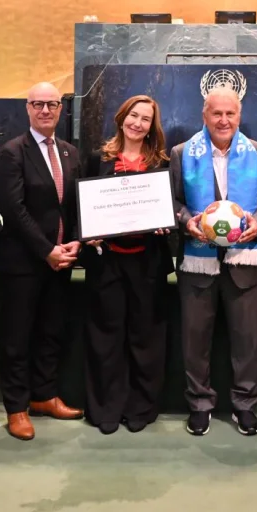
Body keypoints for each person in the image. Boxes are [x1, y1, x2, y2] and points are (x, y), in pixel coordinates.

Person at [170, 87, 257, 437]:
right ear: (204, 116)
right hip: (196, 265)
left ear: (239, 116)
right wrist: (186, 220)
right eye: (216, 113)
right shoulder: (182, 153)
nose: (223, 120)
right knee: (195, 341)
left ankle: (245, 406)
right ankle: (199, 405)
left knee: (248, 341)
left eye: (230, 114)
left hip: (243, 263)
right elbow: (171, 201)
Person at [0, 82, 84, 440]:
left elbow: (74, 204)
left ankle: (44, 396)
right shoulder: (11, 152)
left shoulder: (70, 153)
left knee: (51, 331)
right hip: (24, 262)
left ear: (61, 109)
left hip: (60, 261)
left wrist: (75, 241)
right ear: (27, 108)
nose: (45, 110)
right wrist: (46, 250)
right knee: (18, 337)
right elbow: (12, 210)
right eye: (38, 104)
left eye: (52, 104)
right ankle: (16, 408)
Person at [81, 95, 174, 434]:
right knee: (106, 338)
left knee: (145, 339)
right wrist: (87, 232)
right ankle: (106, 408)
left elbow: (171, 207)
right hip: (107, 264)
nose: (138, 123)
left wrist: (167, 222)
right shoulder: (98, 158)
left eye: (146, 119)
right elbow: (81, 208)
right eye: (133, 116)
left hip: (147, 264)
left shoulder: (161, 163)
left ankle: (141, 407)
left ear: (152, 126)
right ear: (122, 118)